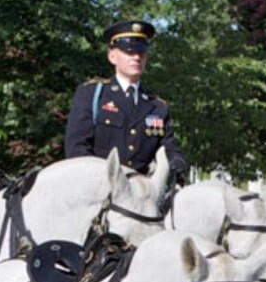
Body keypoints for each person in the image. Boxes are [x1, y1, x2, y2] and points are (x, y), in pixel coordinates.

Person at [63, 20, 190, 181]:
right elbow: (77, 147)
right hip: (98, 188)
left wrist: (176, 161)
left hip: (140, 193)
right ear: (112, 57)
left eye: (141, 53)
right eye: (129, 52)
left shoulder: (157, 107)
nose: (136, 57)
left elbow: (168, 147)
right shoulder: (92, 94)